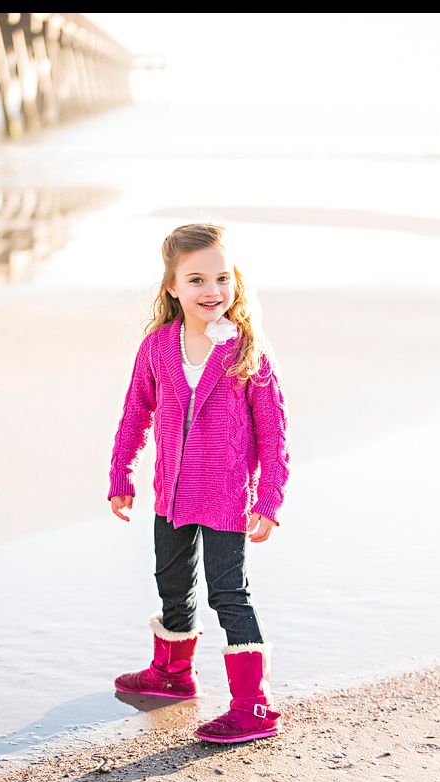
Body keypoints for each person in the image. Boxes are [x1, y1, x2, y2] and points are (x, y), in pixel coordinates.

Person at [107, 222, 291, 743]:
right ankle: (173, 673)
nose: (212, 291)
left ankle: (254, 706)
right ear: (172, 287)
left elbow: (274, 432)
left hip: (228, 498)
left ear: (235, 282)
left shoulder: (246, 349)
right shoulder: (158, 346)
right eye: (196, 280)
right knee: (173, 586)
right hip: (170, 494)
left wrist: (269, 500)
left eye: (222, 278)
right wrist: (121, 472)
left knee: (229, 594)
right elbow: (135, 412)